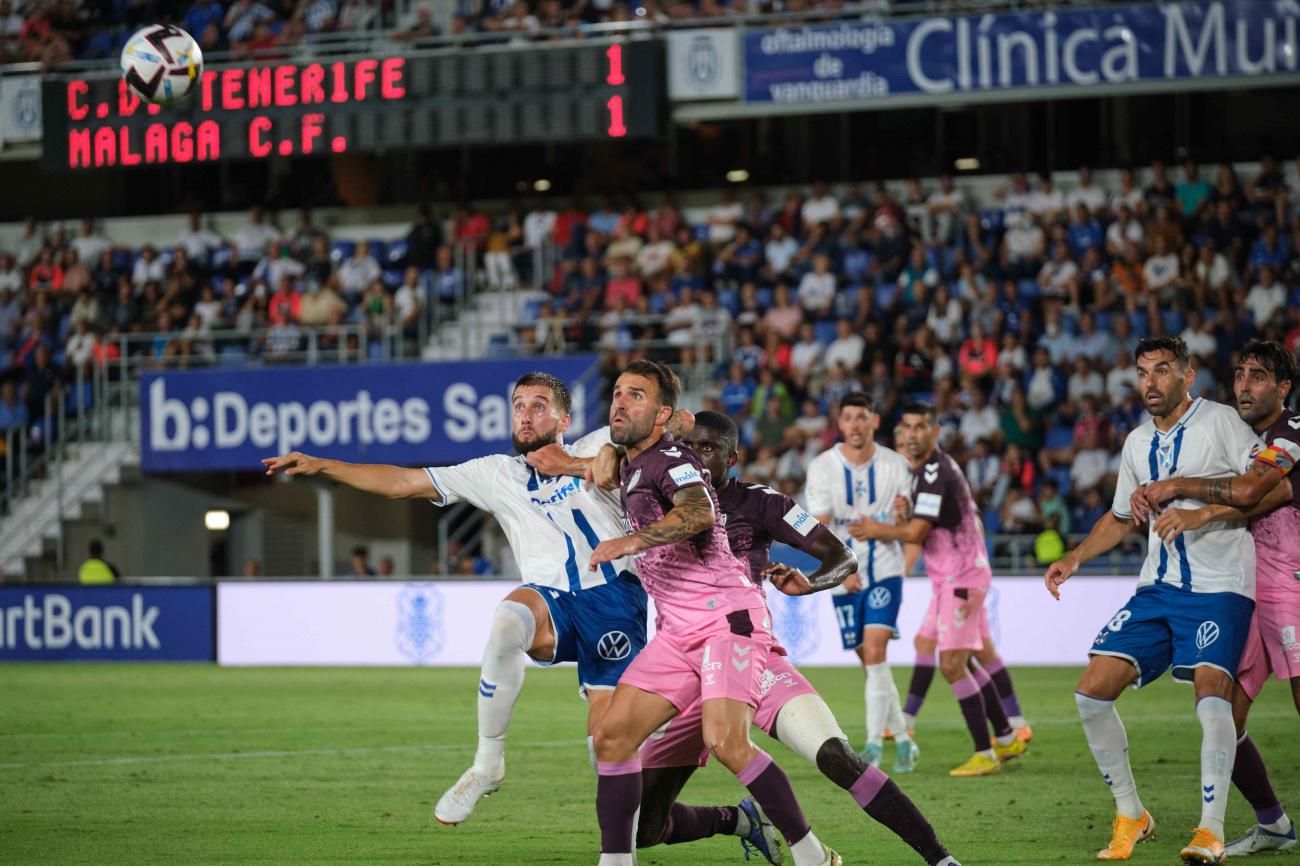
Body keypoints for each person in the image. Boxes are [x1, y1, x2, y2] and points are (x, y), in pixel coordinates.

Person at [262, 372, 647, 827]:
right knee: (507, 619)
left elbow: (679, 422)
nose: (526, 415)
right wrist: (326, 466)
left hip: (614, 602)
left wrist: (605, 455)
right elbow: (404, 482)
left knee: (604, 744)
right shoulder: (496, 473)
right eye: (519, 405)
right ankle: (488, 765)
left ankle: (637, 841)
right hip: (553, 604)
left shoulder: (600, 442)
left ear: (564, 417)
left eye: (539, 405)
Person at [640, 413, 960, 866]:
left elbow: (841, 556)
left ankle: (941, 860)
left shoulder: (761, 503)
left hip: (745, 657)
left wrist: (811, 581)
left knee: (837, 757)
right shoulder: (656, 504)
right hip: (685, 668)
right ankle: (741, 821)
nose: (694, 455)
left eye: (708, 447)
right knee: (641, 828)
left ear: (733, 458)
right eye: (688, 445)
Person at [585, 361, 840, 866]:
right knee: (611, 738)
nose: (619, 401)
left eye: (635, 395)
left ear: (661, 413)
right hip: (679, 629)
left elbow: (699, 511)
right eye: (617, 392)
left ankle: (811, 855)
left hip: (724, 617)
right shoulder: (636, 458)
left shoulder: (671, 459)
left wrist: (630, 540)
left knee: (726, 741)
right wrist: (604, 454)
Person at [1044, 337, 1268, 864]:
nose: (1150, 381)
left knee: (1213, 699)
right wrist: (1075, 558)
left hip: (1221, 586)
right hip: (1157, 588)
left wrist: (1198, 505)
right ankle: (1131, 813)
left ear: (1188, 377)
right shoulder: (1136, 442)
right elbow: (1123, 516)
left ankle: (1210, 831)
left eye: (1163, 370)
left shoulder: (1221, 423)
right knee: (1091, 692)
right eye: (1143, 372)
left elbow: (1263, 486)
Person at [1128, 339, 1299, 857]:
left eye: (1259, 377)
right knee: (1227, 712)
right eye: (1241, 374)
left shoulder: (1289, 433)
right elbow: (1246, 499)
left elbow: (1252, 493)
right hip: (1247, 588)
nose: (1245, 386)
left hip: (1291, 584)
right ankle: (1273, 823)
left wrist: (1180, 489)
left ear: (1283, 388)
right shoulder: (1240, 436)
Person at [854, 402, 1029, 776]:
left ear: (935, 431)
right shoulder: (919, 473)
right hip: (948, 578)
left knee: (952, 664)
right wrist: (903, 512)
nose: (912, 435)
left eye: (920, 428)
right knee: (930, 646)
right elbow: (918, 523)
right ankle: (1005, 734)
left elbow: (916, 534)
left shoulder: (935, 471)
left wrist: (877, 529)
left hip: (961, 578)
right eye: (907, 428)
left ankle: (985, 752)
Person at [802, 393, 919, 771]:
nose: (854, 424)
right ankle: (903, 738)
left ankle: (872, 745)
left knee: (875, 652)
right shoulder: (822, 467)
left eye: (861, 417)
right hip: (844, 576)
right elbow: (816, 529)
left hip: (885, 566)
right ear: (840, 423)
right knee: (871, 664)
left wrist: (903, 515)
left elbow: (912, 525)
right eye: (848, 417)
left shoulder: (896, 464)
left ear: (874, 421)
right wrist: (842, 569)